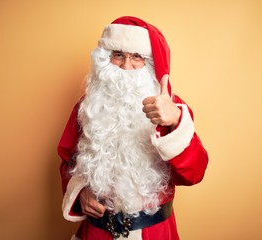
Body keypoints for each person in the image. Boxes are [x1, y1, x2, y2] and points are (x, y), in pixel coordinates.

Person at [58, 16, 209, 240]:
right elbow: (67, 159)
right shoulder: (87, 106)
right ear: (105, 59)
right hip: (98, 232)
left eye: (137, 57)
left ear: (150, 64)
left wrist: (175, 121)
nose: (126, 66)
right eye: (118, 55)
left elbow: (194, 174)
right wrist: (81, 192)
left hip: (153, 232)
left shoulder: (173, 109)